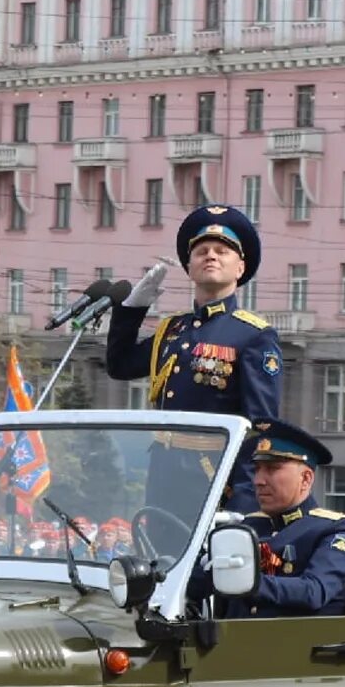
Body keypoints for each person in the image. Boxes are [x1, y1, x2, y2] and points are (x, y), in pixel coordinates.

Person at [106, 204, 283, 516]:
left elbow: (260, 427)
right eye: (201, 251)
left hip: (214, 478)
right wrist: (132, 310)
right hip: (163, 473)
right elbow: (120, 366)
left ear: (240, 268)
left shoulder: (253, 335)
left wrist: (245, 500)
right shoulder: (173, 330)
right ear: (188, 267)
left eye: (221, 251)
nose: (210, 256)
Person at [197, 421, 345, 619]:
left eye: (272, 469)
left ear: (306, 479)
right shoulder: (250, 526)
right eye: (257, 469)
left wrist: (246, 582)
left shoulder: (335, 530)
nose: (258, 480)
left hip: (297, 645)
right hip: (231, 643)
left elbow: (314, 591)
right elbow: (200, 584)